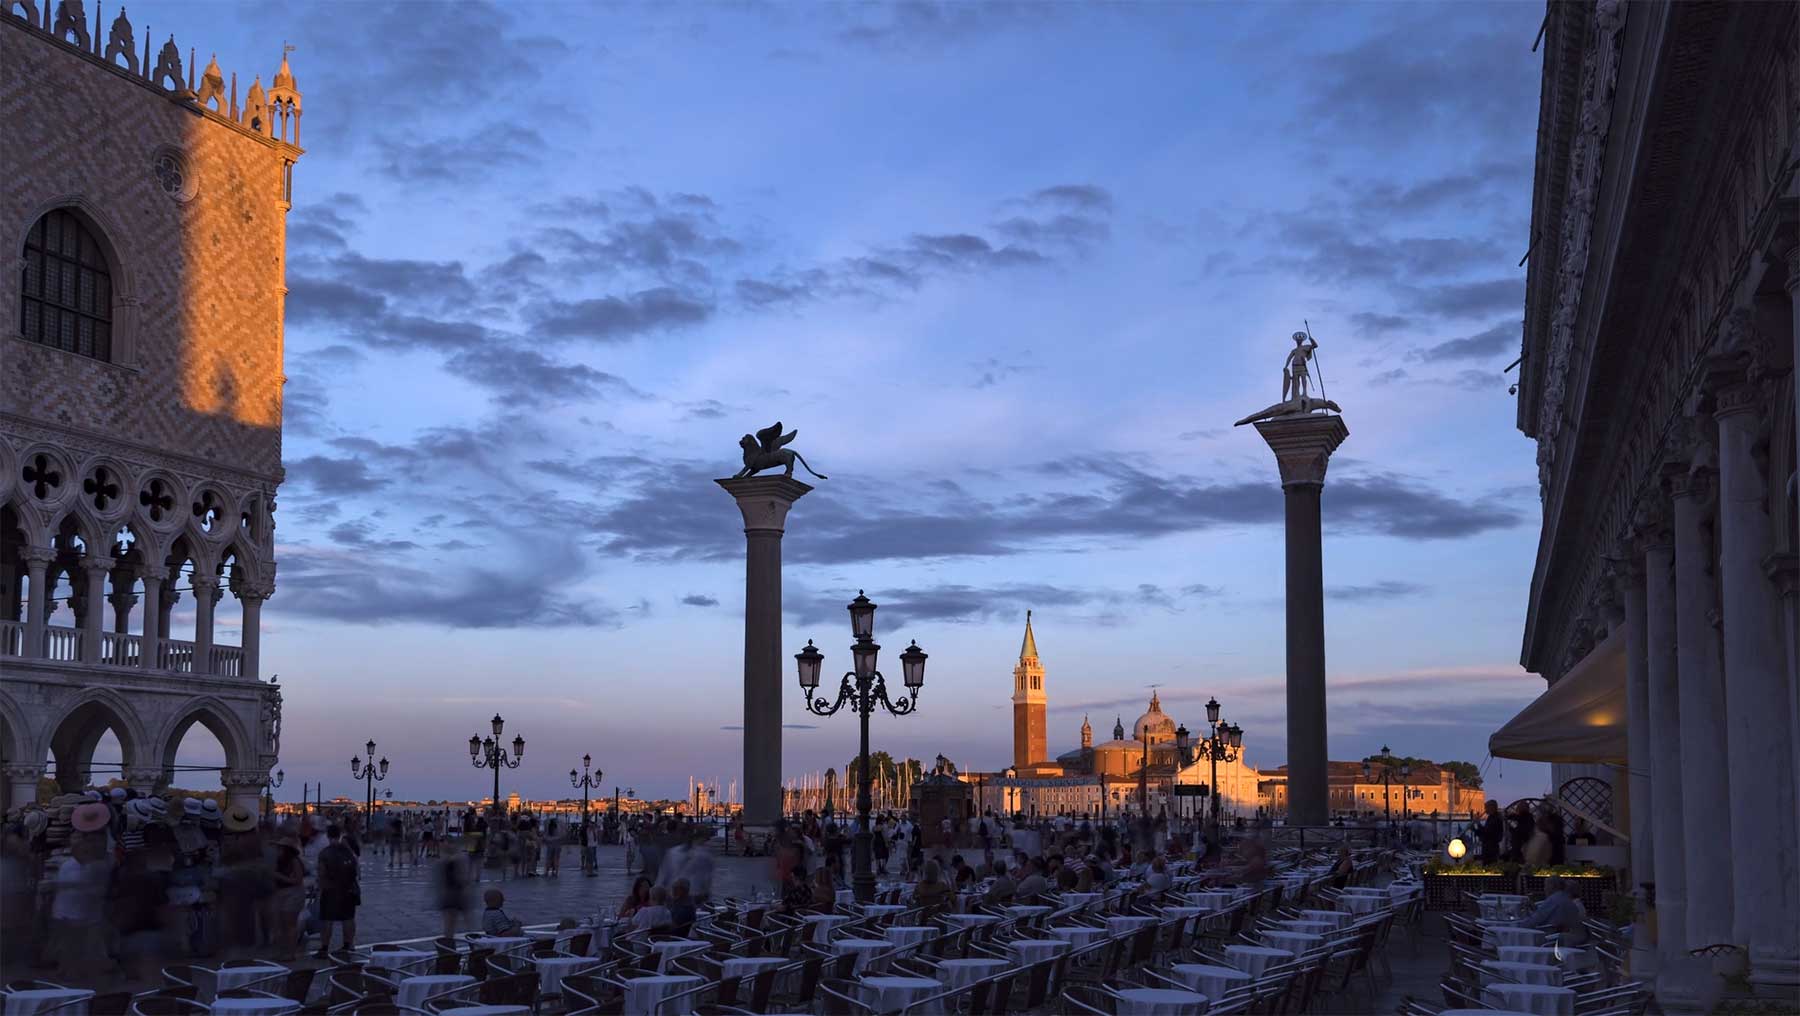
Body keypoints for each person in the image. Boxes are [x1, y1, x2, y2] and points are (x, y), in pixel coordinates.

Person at [314, 824, 361, 957]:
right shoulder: (348, 851)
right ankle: (348, 945)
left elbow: (321, 873)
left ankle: (324, 948)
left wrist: (319, 888)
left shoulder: (325, 853)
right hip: (349, 889)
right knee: (348, 918)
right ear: (339, 834)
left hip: (330, 890)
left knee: (327, 919)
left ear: (328, 835)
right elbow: (356, 869)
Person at [1523, 875, 1588, 943]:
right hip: (1560, 937)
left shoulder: (1553, 900)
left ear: (1552, 886)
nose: (1544, 889)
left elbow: (1531, 922)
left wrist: (1524, 913)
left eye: (1546, 886)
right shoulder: (1566, 900)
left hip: (1547, 937)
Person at [437, 851, 471, 937]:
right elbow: (462, 879)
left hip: (448, 893)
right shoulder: (458, 860)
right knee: (456, 922)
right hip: (455, 893)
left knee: (449, 925)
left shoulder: (446, 860)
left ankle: (448, 943)